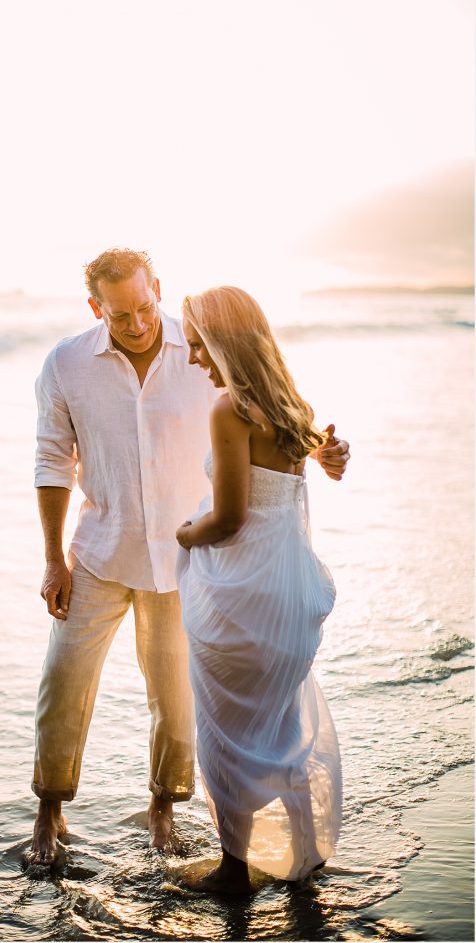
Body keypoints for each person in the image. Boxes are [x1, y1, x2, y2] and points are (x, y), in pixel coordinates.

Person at [28, 249, 349, 866]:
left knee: (175, 696)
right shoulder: (67, 364)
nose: (137, 323)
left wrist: (321, 454)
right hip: (98, 551)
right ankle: (49, 811)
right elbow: (51, 463)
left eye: (145, 307)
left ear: (158, 290)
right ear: (97, 308)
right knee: (62, 678)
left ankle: (163, 810)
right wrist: (51, 560)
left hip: (187, 561)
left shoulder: (203, 351)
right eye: (119, 314)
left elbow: (271, 411)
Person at [175, 286, 343, 895]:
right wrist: (334, 454)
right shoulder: (293, 406)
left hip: (242, 597)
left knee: (227, 731)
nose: (193, 356)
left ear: (223, 342)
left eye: (198, 343)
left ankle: (234, 870)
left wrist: (184, 533)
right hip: (290, 591)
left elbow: (229, 520)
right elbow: (309, 467)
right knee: (281, 724)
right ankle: (306, 853)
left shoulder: (230, 409)